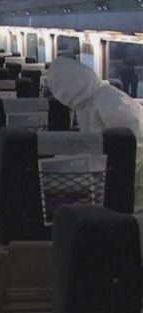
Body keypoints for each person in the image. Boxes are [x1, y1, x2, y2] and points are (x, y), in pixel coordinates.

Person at [47, 56, 143, 212]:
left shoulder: (109, 102)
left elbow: (133, 144)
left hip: (135, 183)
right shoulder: (87, 102)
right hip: (114, 178)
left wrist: (110, 176)